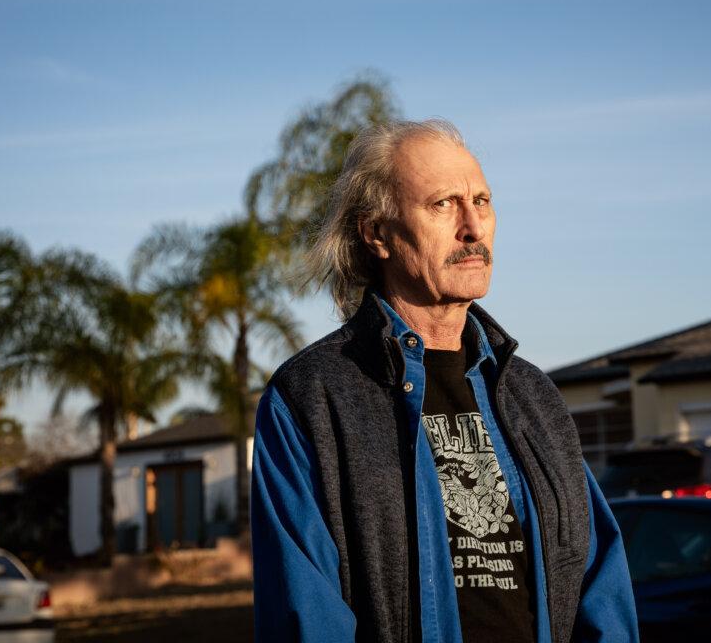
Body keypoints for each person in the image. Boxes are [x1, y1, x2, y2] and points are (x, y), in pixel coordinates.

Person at [251, 119, 639, 643]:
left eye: (481, 201)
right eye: (443, 204)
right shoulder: (311, 399)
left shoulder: (532, 396)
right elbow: (306, 616)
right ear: (376, 233)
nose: (473, 228)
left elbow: (599, 580)